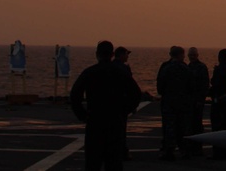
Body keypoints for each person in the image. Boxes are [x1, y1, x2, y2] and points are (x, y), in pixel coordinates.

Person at [70, 40, 141, 171]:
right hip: (115, 121)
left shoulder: (90, 72)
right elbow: (136, 94)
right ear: (112, 54)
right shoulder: (121, 72)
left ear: (97, 54)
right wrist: (124, 111)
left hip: (95, 121)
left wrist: (83, 115)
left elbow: (75, 96)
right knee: (114, 162)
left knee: (93, 162)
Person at [156, 46, 192, 160]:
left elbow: (160, 86)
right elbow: (191, 86)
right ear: (180, 55)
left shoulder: (165, 67)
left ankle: (169, 150)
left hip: (168, 102)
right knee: (182, 127)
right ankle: (184, 150)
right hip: (182, 103)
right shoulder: (185, 68)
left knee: (169, 127)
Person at [112, 47, 136, 161]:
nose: (127, 56)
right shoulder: (124, 69)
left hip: (109, 104)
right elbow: (131, 88)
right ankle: (122, 152)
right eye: (126, 54)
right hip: (121, 104)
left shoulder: (110, 67)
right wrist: (133, 104)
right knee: (120, 130)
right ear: (121, 55)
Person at [186, 47, 210, 153]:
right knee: (190, 124)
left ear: (197, 55)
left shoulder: (202, 67)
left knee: (197, 123)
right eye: (190, 55)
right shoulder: (187, 67)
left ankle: (198, 147)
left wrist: (201, 100)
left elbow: (204, 85)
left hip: (198, 100)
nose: (192, 57)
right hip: (189, 100)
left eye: (193, 55)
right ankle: (191, 145)